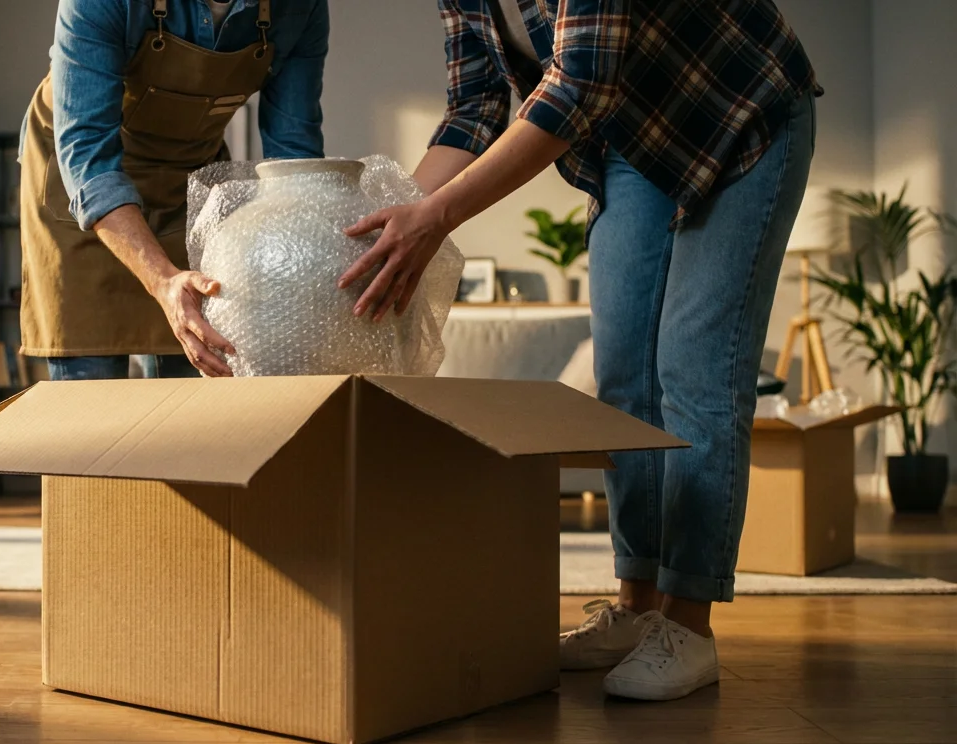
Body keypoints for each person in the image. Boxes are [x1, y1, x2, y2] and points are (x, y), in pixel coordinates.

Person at [341, 0, 820, 701]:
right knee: (622, 375)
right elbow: (474, 106)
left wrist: (436, 218)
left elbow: (578, 86)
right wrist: (394, 222)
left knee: (695, 371)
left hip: (741, 111)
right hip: (634, 137)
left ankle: (688, 624)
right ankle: (636, 607)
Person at [18, 0, 329, 380]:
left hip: (190, 183)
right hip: (82, 188)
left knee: (197, 371)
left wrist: (302, 270)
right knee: (91, 392)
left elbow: (294, 158)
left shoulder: (300, 7)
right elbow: (87, 154)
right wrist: (162, 279)